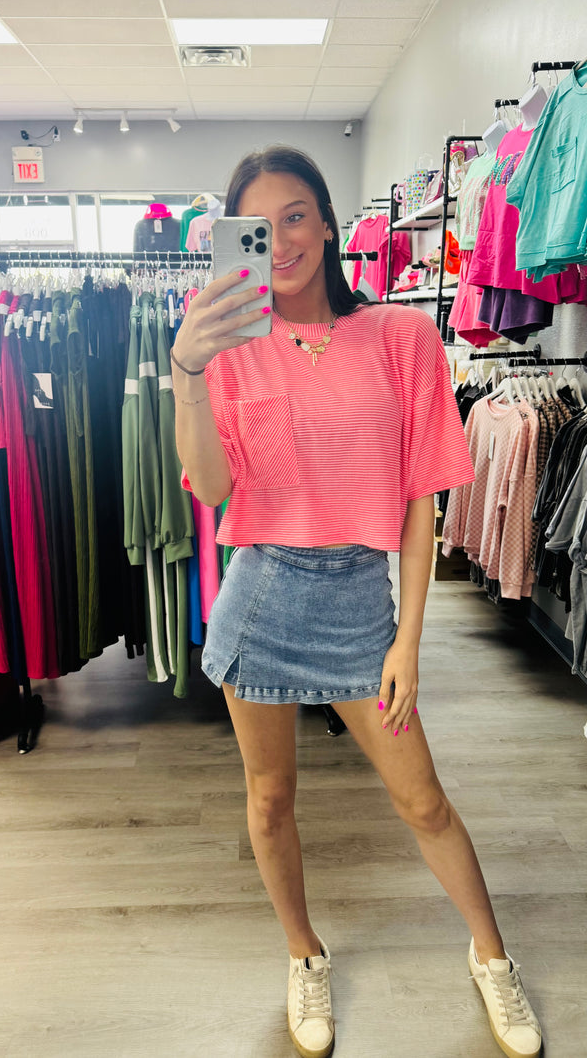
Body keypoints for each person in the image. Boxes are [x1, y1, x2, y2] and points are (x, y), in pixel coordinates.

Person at [170, 145, 543, 1058]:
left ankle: (492, 956)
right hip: (262, 594)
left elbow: (421, 500)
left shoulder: (401, 337)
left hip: (361, 602)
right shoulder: (227, 347)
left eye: (295, 216)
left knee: (423, 800)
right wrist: (186, 371)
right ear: (235, 240)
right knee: (269, 799)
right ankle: (305, 953)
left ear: (331, 222)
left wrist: (408, 637)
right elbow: (213, 488)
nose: (281, 241)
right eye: (258, 228)